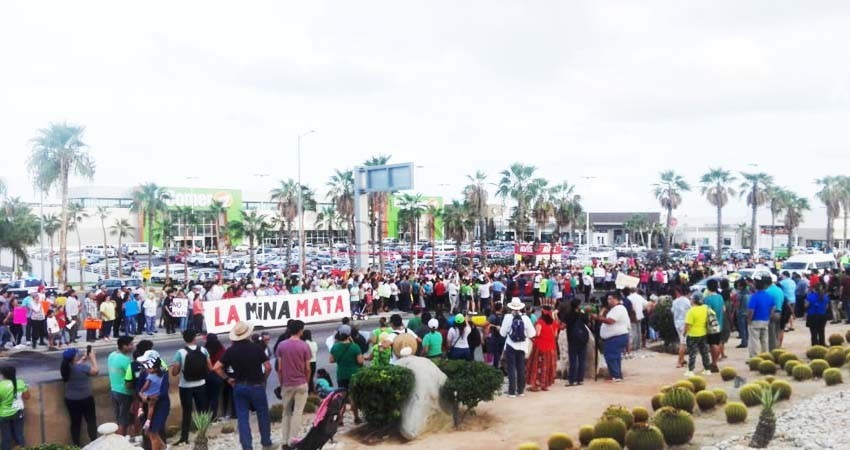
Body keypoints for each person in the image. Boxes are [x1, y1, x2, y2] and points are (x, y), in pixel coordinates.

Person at [213, 321, 273, 450]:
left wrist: (228, 379)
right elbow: (268, 367)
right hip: (257, 385)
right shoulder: (257, 348)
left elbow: (216, 367)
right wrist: (263, 380)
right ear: (248, 334)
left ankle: (247, 446)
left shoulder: (230, 351)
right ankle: (266, 443)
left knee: (242, 417)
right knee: (262, 415)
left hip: (239, 386)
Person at [170, 329, 211, 446]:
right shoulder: (203, 350)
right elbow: (210, 367)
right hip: (201, 384)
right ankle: (202, 434)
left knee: (187, 412)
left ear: (184, 339)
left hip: (185, 386)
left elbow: (174, 372)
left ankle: (184, 437)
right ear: (194, 338)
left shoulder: (180, 352)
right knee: (202, 411)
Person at [276, 320, 311, 450]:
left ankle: (284, 441)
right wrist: (306, 381)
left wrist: (281, 383)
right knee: (297, 412)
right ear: (300, 330)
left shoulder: (281, 346)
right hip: (301, 382)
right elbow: (308, 368)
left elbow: (279, 368)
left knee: (286, 413)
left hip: (287, 383)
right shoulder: (304, 346)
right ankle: (293, 440)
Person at [61, 347, 99, 446]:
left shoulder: (65, 368)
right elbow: (95, 371)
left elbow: (76, 366)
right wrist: (92, 358)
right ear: (74, 357)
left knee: (75, 423)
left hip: (71, 399)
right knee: (91, 421)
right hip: (86, 398)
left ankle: (76, 445)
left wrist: (83, 359)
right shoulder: (83, 367)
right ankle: (95, 443)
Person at [590, 293, 630, 382]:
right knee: (615, 357)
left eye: (610, 299)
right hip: (615, 337)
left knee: (611, 356)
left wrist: (597, 318)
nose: (608, 301)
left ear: (616, 299)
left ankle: (615, 375)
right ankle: (616, 374)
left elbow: (610, 321)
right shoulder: (614, 309)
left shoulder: (618, 309)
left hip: (616, 337)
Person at [500, 298, 535, 397]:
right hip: (522, 346)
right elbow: (532, 333)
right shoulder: (525, 318)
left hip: (511, 345)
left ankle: (511, 391)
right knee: (521, 368)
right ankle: (521, 390)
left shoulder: (507, 317)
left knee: (511, 368)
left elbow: (502, 334)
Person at [329, 324, 363, 425]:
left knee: (342, 398)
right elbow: (360, 361)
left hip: (341, 375)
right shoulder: (355, 347)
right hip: (354, 374)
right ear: (349, 335)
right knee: (353, 397)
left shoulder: (335, 347)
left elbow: (331, 360)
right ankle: (356, 417)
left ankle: (340, 420)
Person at [526, 305, 558, 392]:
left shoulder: (540, 322)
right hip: (551, 347)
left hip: (540, 347)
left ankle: (536, 385)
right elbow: (555, 335)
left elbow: (537, 334)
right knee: (547, 366)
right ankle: (545, 385)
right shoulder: (554, 323)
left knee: (538, 366)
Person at [108, 336, 135, 436]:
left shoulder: (111, 355)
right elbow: (131, 379)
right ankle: (122, 443)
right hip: (125, 393)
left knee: (119, 419)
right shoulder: (126, 360)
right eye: (131, 345)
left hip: (114, 390)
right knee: (124, 421)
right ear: (124, 346)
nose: (133, 346)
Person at [683, 292, 712, 377]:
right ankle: (707, 369)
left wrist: (684, 333)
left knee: (692, 353)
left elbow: (687, 325)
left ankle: (691, 370)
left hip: (692, 335)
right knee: (705, 352)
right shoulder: (706, 308)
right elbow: (712, 314)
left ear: (694, 300)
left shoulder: (691, 311)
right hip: (703, 333)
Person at [563, 298, 589, 386]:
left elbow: (564, 324)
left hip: (572, 339)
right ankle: (580, 379)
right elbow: (588, 322)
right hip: (582, 339)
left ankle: (572, 379)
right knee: (582, 360)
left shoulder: (568, 315)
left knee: (573, 360)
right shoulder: (582, 315)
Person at [0, 366, 28, 450]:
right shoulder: (20, 382)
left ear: (3, 375)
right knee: (19, 434)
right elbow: (27, 396)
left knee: (6, 437)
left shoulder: (1, 385)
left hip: (4, 415)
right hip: (18, 413)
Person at [747, 277, 775, 357]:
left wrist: (749, 319)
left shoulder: (754, 297)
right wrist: (769, 315)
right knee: (764, 340)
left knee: (754, 340)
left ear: (756, 286)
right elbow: (773, 307)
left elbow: (751, 310)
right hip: (765, 319)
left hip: (755, 320)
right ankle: (765, 355)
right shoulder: (768, 296)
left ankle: (754, 357)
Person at [703, 279, 724, 371]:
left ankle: (714, 363)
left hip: (711, 325)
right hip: (720, 323)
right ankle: (714, 361)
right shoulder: (720, 297)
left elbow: (706, 313)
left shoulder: (707, 299)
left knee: (712, 344)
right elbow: (724, 310)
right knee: (718, 342)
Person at [204, 334, 225, 420]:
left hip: (207, 376)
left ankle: (205, 418)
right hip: (218, 375)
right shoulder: (221, 349)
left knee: (207, 397)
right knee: (215, 397)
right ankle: (214, 417)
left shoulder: (205, 350)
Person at [670, 286, 692, 368]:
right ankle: (679, 362)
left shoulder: (675, 301)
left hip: (677, 323)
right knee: (683, 343)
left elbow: (672, 311)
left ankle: (682, 359)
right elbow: (691, 310)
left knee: (682, 341)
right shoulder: (687, 301)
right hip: (685, 323)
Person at [765, 278, 784, 350]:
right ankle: (777, 347)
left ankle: (772, 350)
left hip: (772, 313)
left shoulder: (768, 291)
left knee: (771, 334)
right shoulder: (780, 290)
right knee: (777, 332)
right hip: (779, 312)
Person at [302, 330, 318, 395]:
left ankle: (308, 391)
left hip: (307, 362)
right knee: (311, 378)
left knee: (307, 378)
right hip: (314, 362)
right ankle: (312, 391)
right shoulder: (314, 343)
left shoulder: (305, 343)